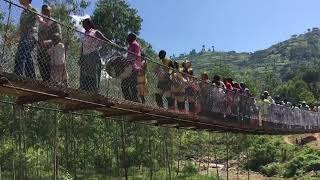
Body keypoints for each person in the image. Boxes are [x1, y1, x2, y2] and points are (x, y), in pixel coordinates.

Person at [79, 18, 108, 93]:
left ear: (89, 24)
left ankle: (95, 90)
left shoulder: (95, 32)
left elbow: (105, 39)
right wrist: (80, 57)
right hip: (85, 56)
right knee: (84, 73)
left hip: (93, 55)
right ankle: (83, 89)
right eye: (83, 25)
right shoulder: (84, 34)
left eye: (85, 24)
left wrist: (112, 44)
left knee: (93, 73)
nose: (84, 26)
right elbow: (82, 47)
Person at [14, 0, 38, 78]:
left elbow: (27, 25)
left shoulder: (32, 9)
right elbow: (21, 27)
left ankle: (18, 75)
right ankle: (31, 77)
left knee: (20, 55)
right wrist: (12, 37)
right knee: (27, 57)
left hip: (30, 36)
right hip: (24, 36)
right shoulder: (23, 12)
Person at [37, 5, 61, 83]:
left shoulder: (55, 23)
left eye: (47, 11)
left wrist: (49, 42)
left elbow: (59, 37)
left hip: (51, 53)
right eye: (43, 11)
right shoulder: (41, 25)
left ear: (51, 12)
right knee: (44, 75)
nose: (45, 12)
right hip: (40, 52)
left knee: (52, 75)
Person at [120, 33, 141, 102]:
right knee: (125, 85)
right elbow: (129, 56)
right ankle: (129, 100)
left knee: (132, 87)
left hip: (134, 68)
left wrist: (129, 61)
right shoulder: (130, 46)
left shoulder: (135, 44)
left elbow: (137, 55)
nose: (127, 39)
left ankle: (135, 102)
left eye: (128, 38)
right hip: (129, 68)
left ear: (132, 38)